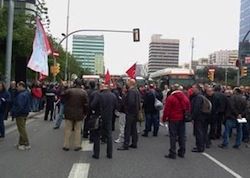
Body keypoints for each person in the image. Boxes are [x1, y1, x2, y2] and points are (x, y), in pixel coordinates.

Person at [162, 84, 190, 159]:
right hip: (182, 119)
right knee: (182, 136)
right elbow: (188, 107)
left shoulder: (171, 98)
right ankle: (182, 151)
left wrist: (164, 119)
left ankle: (172, 152)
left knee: (173, 136)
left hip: (173, 119)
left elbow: (167, 110)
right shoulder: (185, 97)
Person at [91, 83, 118, 159]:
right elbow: (116, 106)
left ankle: (96, 154)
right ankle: (109, 154)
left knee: (97, 136)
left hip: (99, 117)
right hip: (109, 117)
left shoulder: (99, 95)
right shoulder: (113, 95)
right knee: (109, 135)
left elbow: (92, 105)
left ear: (102, 88)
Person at [62, 79, 88, 151]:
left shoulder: (69, 91)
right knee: (78, 130)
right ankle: (77, 145)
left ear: (74, 83)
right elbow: (86, 104)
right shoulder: (84, 92)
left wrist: (65, 87)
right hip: (79, 113)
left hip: (69, 112)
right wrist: (85, 113)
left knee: (68, 129)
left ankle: (66, 145)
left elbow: (62, 96)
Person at [118, 79, 141, 151]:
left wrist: (126, 109)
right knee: (134, 128)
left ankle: (125, 145)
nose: (126, 83)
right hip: (135, 112)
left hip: (130, 113)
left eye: (128, 81)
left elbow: (131, 102)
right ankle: (134, 143)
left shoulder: (131, 91)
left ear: (131, 83)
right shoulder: (136, 91)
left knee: (127, 129)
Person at [12, 81, 31, 150]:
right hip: (25, 113)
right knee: (22, 128)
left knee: (21, 129)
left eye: (17, 86)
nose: (17, 88)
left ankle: (26, 143)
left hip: (20, 114)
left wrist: (15, 112)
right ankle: (21, 143)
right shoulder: (26, 93)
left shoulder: (21, 95)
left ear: (21, 86)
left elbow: (20, 106)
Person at [191, 83, 209, 153]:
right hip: (202, 116)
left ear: (197, 89)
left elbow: (196, 108)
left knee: (198, 132)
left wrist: (192, 117)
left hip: (199, 117)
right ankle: (200, 145)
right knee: (201, 131)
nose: (192, 89)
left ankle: (200, 147)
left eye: (194, 88)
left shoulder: (198, 97)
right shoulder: (201, 96)